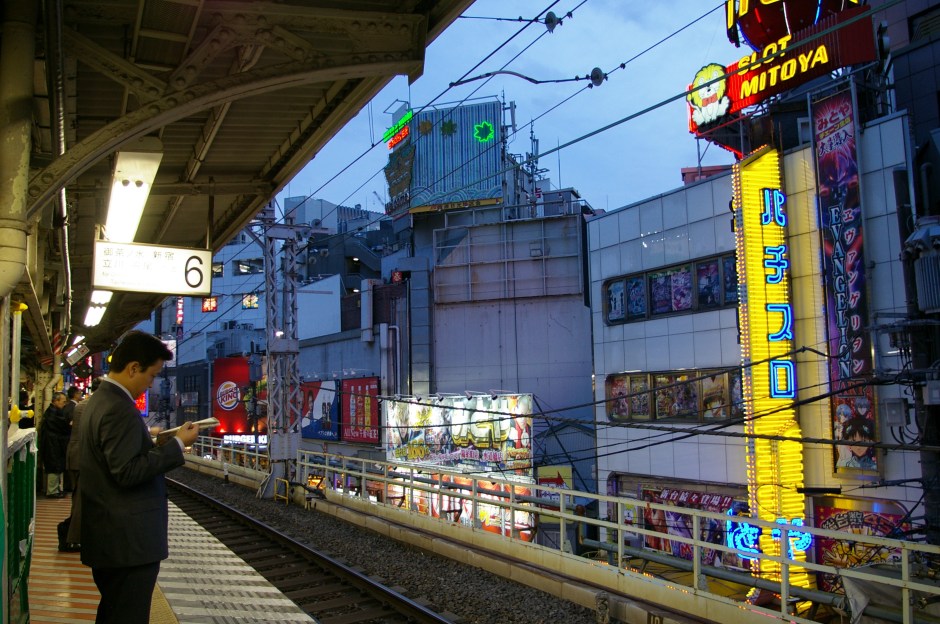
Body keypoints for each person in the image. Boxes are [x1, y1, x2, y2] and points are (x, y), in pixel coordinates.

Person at [80, 331, 198, 624]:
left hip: (111, 537)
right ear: (133, 368)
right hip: (128, 543)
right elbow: (127, 471)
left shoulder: (99, 400)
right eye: (152, 374)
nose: (151, 383)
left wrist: (152, 439)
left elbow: (117, 457)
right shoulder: (119, 409)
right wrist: (178, 445)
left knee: (113, 612)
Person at [64, 377, 101, 551]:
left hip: (74, 455)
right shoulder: (94, 407)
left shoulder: (82, 405)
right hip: (82, 458)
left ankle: (75, 536)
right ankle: (74, 538)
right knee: (80, 501)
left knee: (77, 498)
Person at [39, 391, 71, 497]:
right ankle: (52, 491)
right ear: (55, 401)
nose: (64, 404)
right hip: (52, 444)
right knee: (54, 465)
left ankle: (56, 489)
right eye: (63, 401)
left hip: (53, 443)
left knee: (56, 465)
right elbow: (62, 426)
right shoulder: (53, 413)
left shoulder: (52, 411)